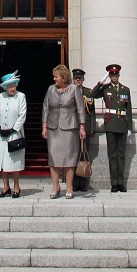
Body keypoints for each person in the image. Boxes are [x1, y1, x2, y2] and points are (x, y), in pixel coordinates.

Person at [41, 63, 86, 199]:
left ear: (63, 77)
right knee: (53, 158)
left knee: (69, 159)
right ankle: (55, 187)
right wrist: (44, 125)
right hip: (53, 128)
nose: (54, 79)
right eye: (54, 77)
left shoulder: (74, 89)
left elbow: (80, 109)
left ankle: (69, 187)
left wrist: (82, 126)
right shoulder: (50, 89)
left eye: (56, 77)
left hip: (69, 128)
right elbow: (46, 107)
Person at [91, 63, 132, 192]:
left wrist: (129, 126)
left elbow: (128, 108)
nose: (114, 77)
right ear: (109, 76)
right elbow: (93, 94)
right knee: (112, 154)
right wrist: (100, 82)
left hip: (122, 124)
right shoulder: (105, 88)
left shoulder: (125, 89)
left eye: (116, 74)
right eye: (112, 75)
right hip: (111, 124)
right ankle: (114, 183)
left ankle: (121, 182)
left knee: (121, 155)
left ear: (118, 75)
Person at [0, 71, 27, 198]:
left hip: (14, 134)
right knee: (2, 162)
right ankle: (6, 187)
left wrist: (14, 129)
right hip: (2, 135)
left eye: (14, 85)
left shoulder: (21, 96)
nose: (12, 88)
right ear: (5, 87)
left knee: (14, 162)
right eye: (10, 86)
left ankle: (16, 187)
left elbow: (22, 115)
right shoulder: (1, 96)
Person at [71, 67, 96, 192]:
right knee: (74, 156)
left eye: (80, 79)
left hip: (85, 129)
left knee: (85, 156)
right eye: (76, 78)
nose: (78, 80)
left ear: (83, 79)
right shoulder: (69, 91)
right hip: (72, 128)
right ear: (73, 79)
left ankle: (84, 184)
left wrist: (91, 129)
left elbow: (92, 112)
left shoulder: (88, 92)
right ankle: (75, 184)